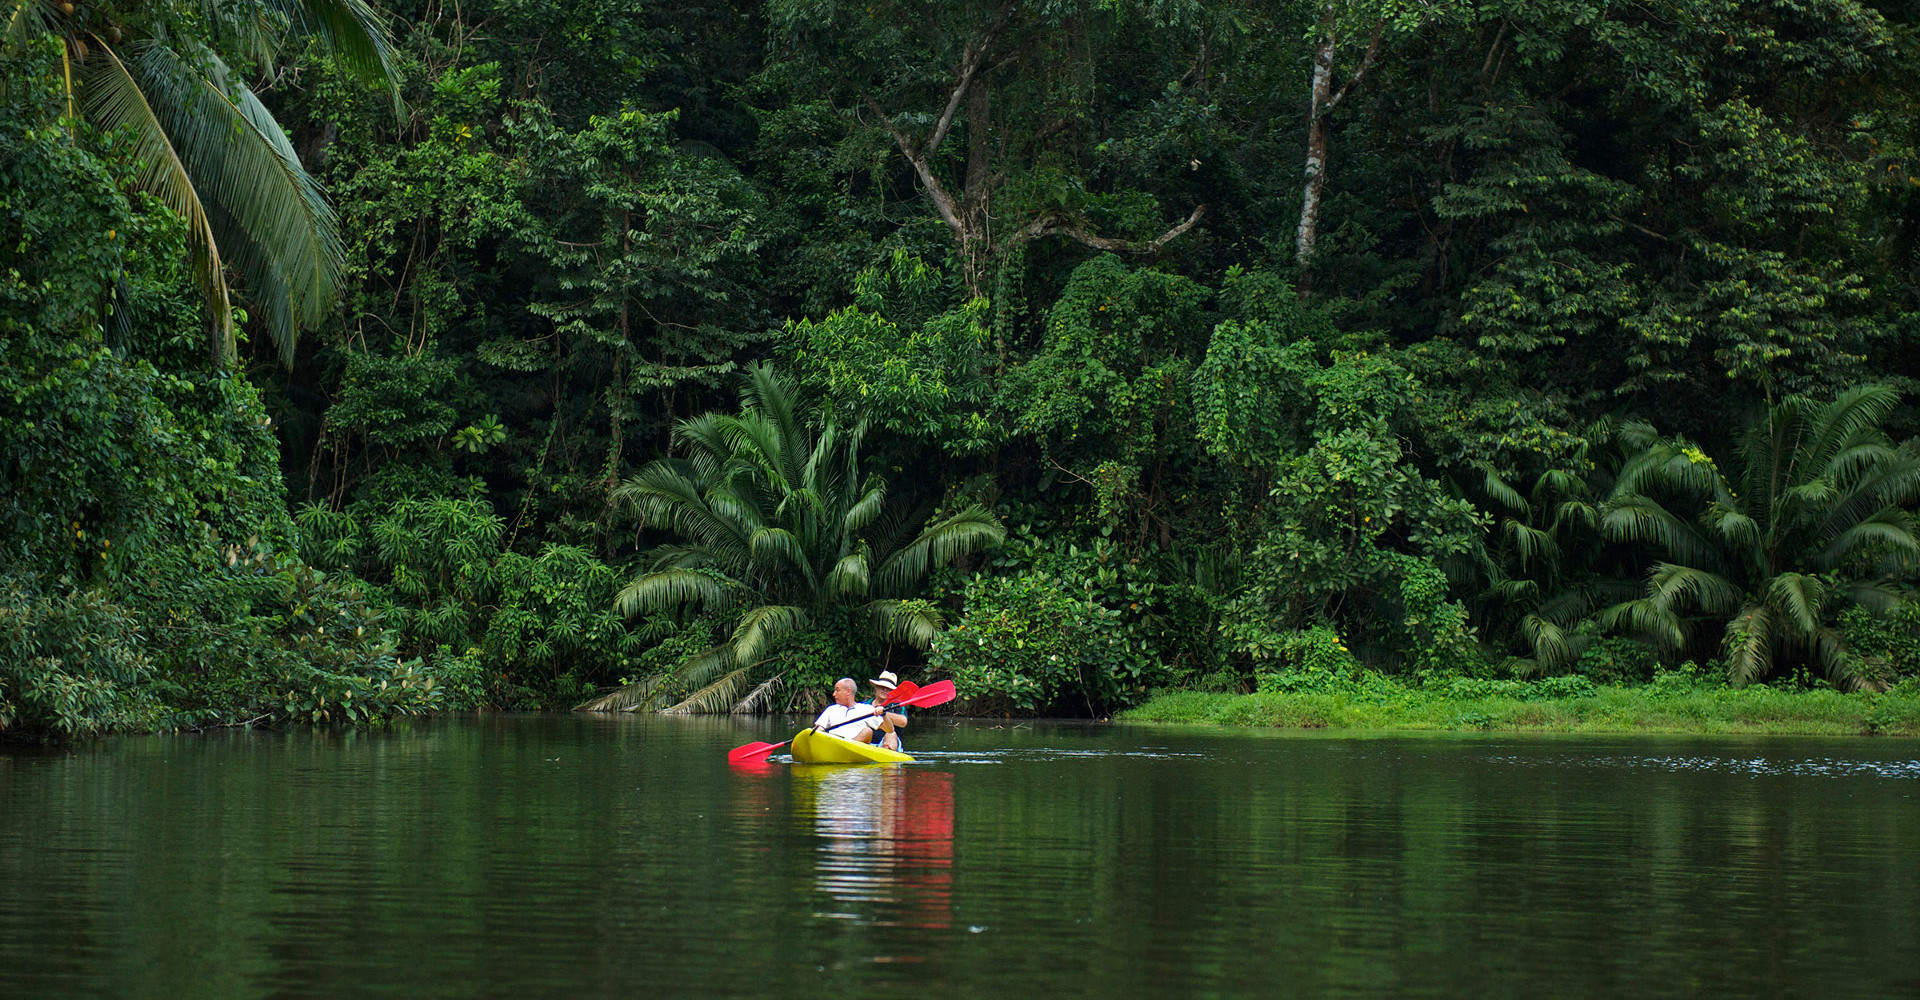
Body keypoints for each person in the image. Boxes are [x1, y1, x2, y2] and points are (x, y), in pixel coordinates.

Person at [812, 678, 882, 740]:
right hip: (834, 743)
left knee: (867, 731)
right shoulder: (831, 709)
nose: (834, 694)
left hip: (854, 747)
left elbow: (889, 729)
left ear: (848, 691)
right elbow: (819, 728)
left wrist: (883, 713)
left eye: (837, 690)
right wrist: (816, 731)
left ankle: (847, 746)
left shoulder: (866, 709)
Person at [866, 670, 908, 751]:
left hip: (890, 741)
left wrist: (883, 712)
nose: (885, 689)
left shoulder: (897, 705)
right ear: (876, 687)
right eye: (882, 687)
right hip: (868, 741)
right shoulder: (865, 704)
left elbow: (903, 722)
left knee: (891, 734)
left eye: (888, 688)